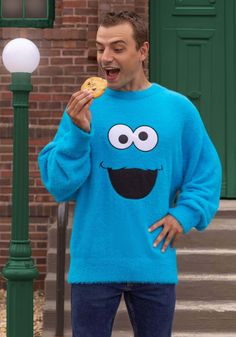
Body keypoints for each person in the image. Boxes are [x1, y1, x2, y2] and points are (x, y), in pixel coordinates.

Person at [38, 10, 222, 337]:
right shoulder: (83, 107)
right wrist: (78, 135)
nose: (106, 57)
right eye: (100, 48)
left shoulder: (178, 109)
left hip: (153, 261)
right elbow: (59, 185)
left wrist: (185, 213)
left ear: (143, 50)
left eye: (118, 48)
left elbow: (205, 170)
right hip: (93, 264)